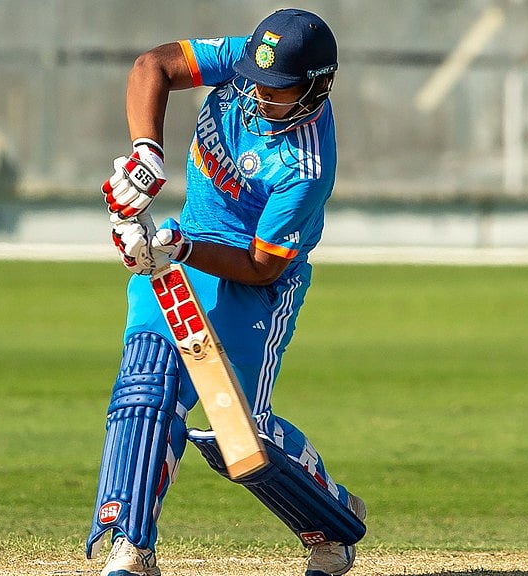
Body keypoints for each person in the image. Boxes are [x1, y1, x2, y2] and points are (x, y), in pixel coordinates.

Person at [87, 8, 366, 576]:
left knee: (236, 434)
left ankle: (334, 523)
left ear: (316, 89)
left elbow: (263, 265)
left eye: (278, 90)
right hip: (183, 251)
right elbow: (153, 65)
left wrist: (178, 247)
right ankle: (129, 545)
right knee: (145, 390)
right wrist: (147, 154)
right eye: (257, 83)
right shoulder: (245, 62)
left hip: (255, 282)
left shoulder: (308, 165)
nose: (259, 97)